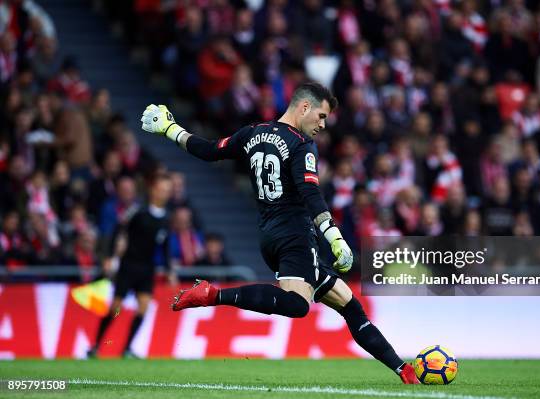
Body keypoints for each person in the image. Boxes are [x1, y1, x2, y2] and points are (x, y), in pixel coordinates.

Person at [140, 82, 419, 384]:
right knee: (298, 304)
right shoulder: (301, 144)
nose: (323, 125)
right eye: (322, 116)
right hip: (296, 235)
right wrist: (335, 237)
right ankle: (213, 294)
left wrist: (169, 128)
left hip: (269, 236)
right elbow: (311, 193)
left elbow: (209, 150)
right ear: (304, 108)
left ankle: (402, 370)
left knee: (348, 303)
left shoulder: (252, 133)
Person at [87, 174, 176, 358]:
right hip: (128, 266)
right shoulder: (138, 211)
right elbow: (118, 230)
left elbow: (165, 245)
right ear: (153, 190)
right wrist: (110, 256)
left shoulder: (166, 218)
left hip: (147, 268)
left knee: (143, 307)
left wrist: (169, 269)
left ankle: (127, 348)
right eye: (162, 189)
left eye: (167, 190)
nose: (164, 193)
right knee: (116, 308)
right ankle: (95, 346)